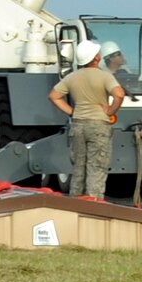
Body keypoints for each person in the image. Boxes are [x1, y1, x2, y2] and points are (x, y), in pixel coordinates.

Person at [49, 39, 124, 199]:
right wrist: (110, 111)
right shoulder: (105, 76)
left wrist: (71, 112)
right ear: (96, 58)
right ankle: (93, 206)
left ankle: (76, 205)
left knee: (78, 169)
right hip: (98, 126)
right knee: (96, 169)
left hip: (78, 126)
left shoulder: (72, 77)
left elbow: (54, 96)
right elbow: (119, 94)